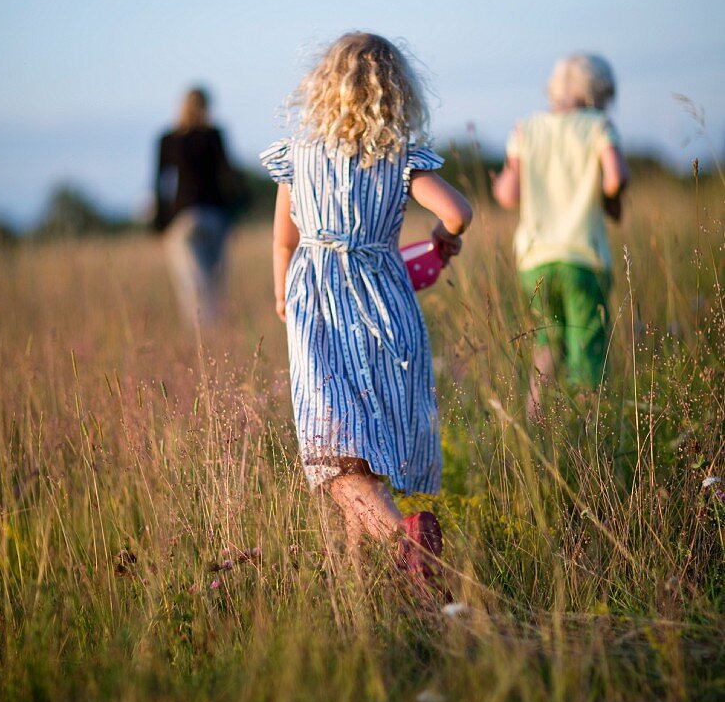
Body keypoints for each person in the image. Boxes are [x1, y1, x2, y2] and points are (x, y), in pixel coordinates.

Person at [260, 32, 472, 585]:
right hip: (386, 305)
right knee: (365, 452)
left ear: (324, 89)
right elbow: (459, 210)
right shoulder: (400, 159)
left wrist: (283, 291)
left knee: (334, 455)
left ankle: (403, 535)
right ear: (396, 94)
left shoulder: (298, 158)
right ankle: (368, 585)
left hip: (318, 311)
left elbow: (284, 240)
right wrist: (443, 238)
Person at [493, 53, 630, 416]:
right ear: (600, 93)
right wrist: (610, 196)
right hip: (583, 254)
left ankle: (534, 425)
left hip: (534, 258)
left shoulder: (527, 128)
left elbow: (506, 194)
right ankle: (589, 431)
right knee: (587, 348)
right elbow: (615, 178)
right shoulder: (599, 125)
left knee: (546, 345)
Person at [154, 87, 250, 327]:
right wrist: (236, 210)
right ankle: (216, 334)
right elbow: (228, 173)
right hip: (216, 217)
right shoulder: (214, 135)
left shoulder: (169, 139)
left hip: (184, 219)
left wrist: (160, 223)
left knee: (191, 284)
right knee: (215, 281)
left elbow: (161, 183)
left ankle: (201, 339)